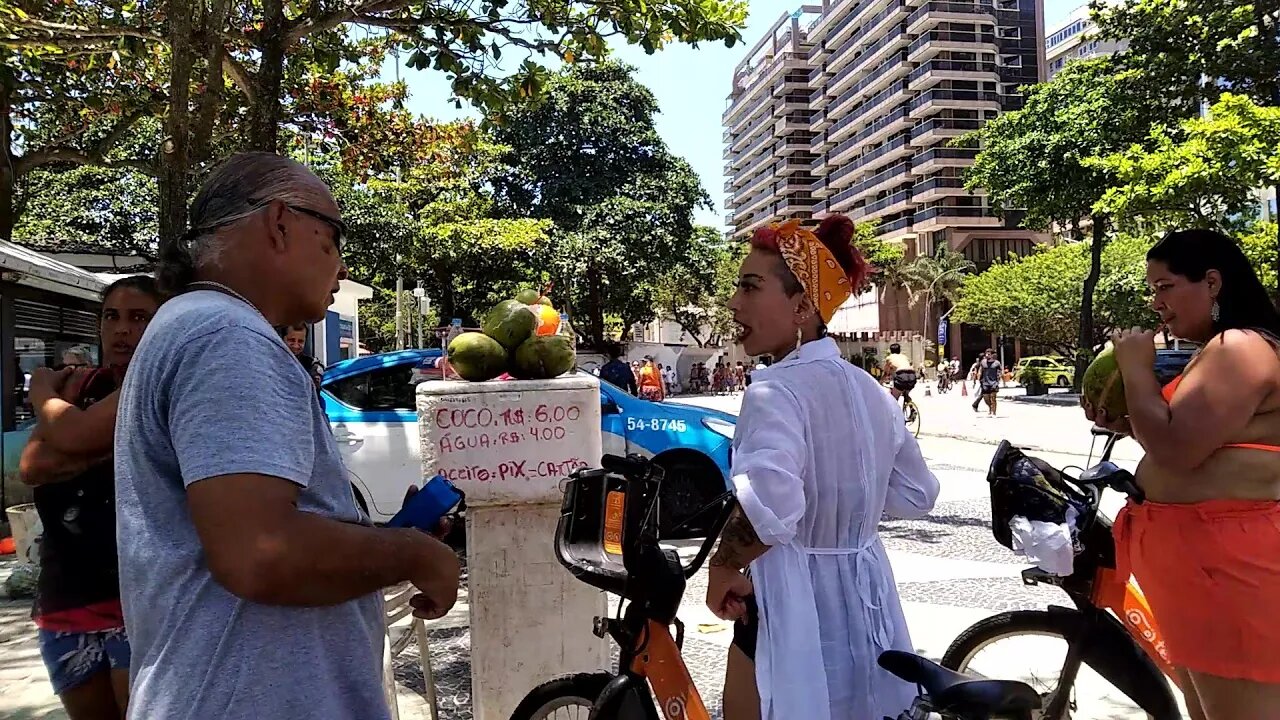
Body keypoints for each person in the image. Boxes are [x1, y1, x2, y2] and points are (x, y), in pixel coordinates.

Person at [112, 153, 460, 720]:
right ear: (279, 224)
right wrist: (413, 553)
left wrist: (370, 538)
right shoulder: (227, 337)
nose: (341, 268)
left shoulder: (196, 325)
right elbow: (261, 553)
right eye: (333, 240)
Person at [707, 215, 939, 720]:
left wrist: (723, 566)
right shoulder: (871, 391)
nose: (734, 302)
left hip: (792, 602)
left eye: (750, 287)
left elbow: (773, 505)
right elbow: (916, 493)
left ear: (802, 305)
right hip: (867, 595)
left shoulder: (774, 390)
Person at [1085, 228, 1280, 719]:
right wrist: (1132, 425)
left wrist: (1135, 370)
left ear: (1212, 283)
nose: (1155, 302)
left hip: (1229, 570)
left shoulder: (1239, 348)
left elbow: (1176, 451)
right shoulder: (1221, 348)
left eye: (1164, 286)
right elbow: (1196, 443)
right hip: (1206, 571)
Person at [19, 276, 166, 720]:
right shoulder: (80, 388)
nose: (122, 329)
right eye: (111, 317)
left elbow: (66, 437)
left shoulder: (159, 385)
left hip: (137, 594)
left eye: (139, 317)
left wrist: (43, 395)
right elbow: (33, 466)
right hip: (67, 591)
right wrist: (97, 442)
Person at [279, 322, 325, 389]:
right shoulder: (272, 361)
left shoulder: (311, 365)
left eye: (300, 341)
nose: (296, 345)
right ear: (282, 339)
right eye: (291, 340)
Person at [882, 343, 917, 408]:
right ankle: (912, 409)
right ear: (899, 350)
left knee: (894, 398)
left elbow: (886, 372)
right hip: (912, 376)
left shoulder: (889, 358)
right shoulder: (904, 357)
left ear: (890, 350)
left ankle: (894, 414)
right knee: (906, 394)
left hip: (901, 376)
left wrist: (880, 382)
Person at [971, 348, 1002, 415]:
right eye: (986, 354)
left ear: (992, 355)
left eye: (989, 354)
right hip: (985, 383)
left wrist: (999, 378)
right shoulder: (983, 362)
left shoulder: (997, 363)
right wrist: (978, 377)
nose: (987, 355)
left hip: (994, 382)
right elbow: (980, 370)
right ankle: (990, 407)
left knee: (993, 398)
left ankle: (993, 412)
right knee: (986, 398)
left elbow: (1000, 371)